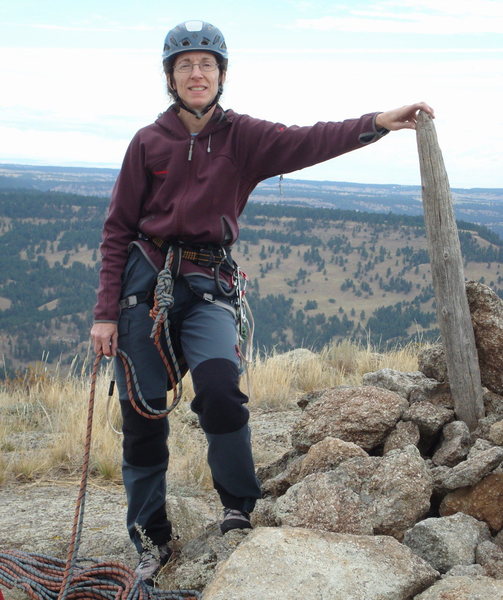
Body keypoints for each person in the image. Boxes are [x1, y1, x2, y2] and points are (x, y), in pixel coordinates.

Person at [90, 19, 435, 584]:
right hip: (145, 286)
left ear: (221, 75)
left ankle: (237, 509)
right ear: (170, 78)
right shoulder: (148, 143)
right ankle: (150, 536)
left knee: (222, 389)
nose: (196, 73)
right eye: (185, 65)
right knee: (143, 413)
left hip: (208, 287)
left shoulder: (243, 138)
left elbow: (309, 139)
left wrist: (377, 123)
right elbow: (117, 229)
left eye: (206, 64)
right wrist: (105, 313)